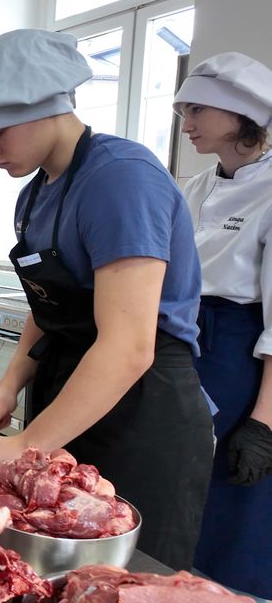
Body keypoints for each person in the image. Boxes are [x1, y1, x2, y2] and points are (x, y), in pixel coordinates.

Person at [0, 29, 213, 570]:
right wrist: (8, 387)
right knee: (53, 568)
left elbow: (131, 347)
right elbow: (49, 310)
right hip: (71, 397)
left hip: (141, 413)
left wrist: (23, 448)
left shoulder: (119, 180)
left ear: (46, 106)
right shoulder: (35, 192)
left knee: (124, 578)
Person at [173, 51, 272, 598]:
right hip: (186, 345)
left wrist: (264, 423)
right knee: (187, 484)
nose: (186, 124)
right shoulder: (194, 187)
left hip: (240, 356)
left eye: (198, 110)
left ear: (242, 114)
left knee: (235, 488)